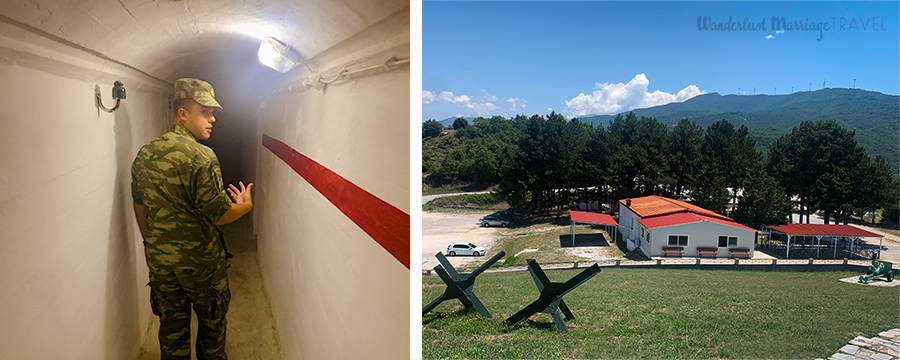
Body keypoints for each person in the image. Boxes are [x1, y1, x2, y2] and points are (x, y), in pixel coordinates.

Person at [131, 78, 253, 359]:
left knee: (172, 330)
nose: (212, 120)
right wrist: (244, 207)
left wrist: (148, 242)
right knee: (212, 329)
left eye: (213, 114)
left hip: (162, 261)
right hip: (202, 264)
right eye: (205, 112)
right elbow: (220, 215)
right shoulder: (202, 157)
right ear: (182, 114)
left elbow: (140, 204)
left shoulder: (145, 154)